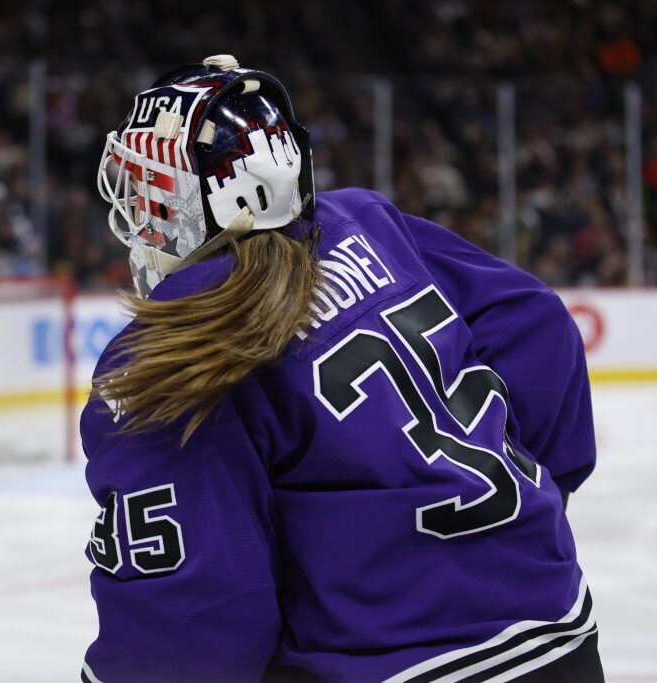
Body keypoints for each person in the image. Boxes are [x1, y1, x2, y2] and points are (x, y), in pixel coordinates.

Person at [82, 55, 603, 683]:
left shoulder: (173, 344)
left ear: (194, 204)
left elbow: (193, 621)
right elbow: (537, 325)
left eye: (151, 195)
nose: (140, 218)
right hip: (558, 628)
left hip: (387, 664)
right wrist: (520, 505)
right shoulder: (364, 220)